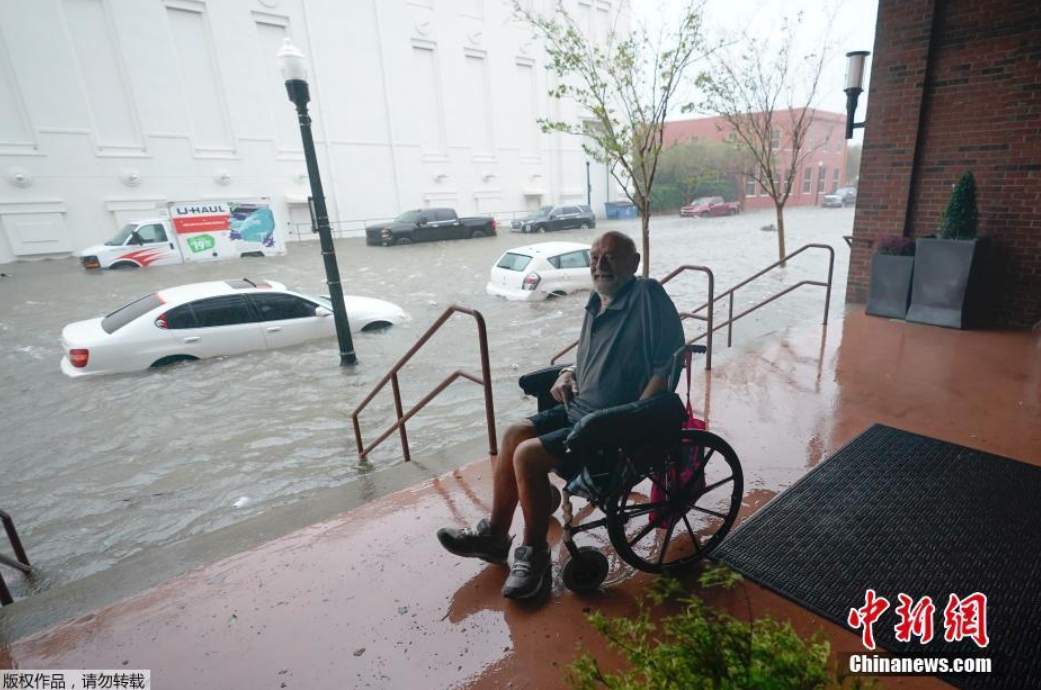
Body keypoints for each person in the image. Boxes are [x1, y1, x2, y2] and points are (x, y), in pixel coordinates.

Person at [437, 231, 684, 599]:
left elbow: (668, 363)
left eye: (611, 257)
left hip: (611, 426)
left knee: (528, 454)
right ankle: (494, 536)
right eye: (595, 257)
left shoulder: (646, 296)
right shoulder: (596, 302)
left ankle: (534, 554)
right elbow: (590, 356)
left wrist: (636, 415)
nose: (600, 265)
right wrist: (569, 372)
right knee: (513, 433)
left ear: (633, 263)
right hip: (580, 408)